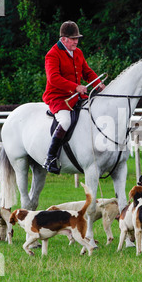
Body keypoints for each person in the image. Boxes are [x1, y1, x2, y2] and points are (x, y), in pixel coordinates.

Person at [42, 21, 105, 174]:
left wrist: (98, 84)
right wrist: (75, 86)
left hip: (76, 96)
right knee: (66, 121)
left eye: (77, 38)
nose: (76, 41)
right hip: (58, 97)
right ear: (64, 39)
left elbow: (87, 71)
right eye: (73, 38)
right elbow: (54, 78)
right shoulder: (52, 54)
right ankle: (50, 157)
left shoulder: (78, 52)